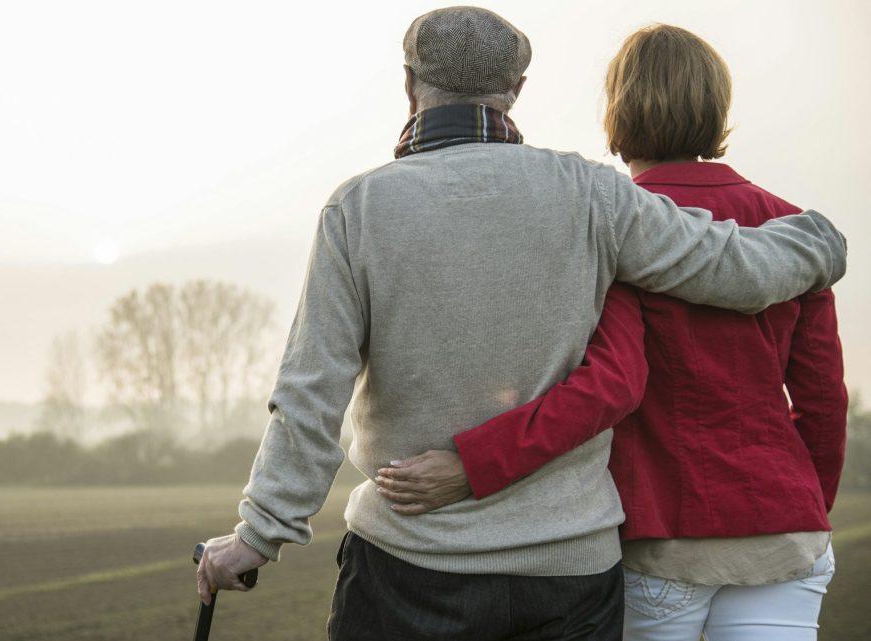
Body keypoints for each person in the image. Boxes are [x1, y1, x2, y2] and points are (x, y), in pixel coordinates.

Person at [195, 8, 848, 640]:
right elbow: (736, 268)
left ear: (408, 83)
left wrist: (259, 534)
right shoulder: (594, 194)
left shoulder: (358, 208)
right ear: (517, 91)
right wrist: (820, 241)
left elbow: (311, 391)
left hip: (409, 566)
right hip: (571, 571)